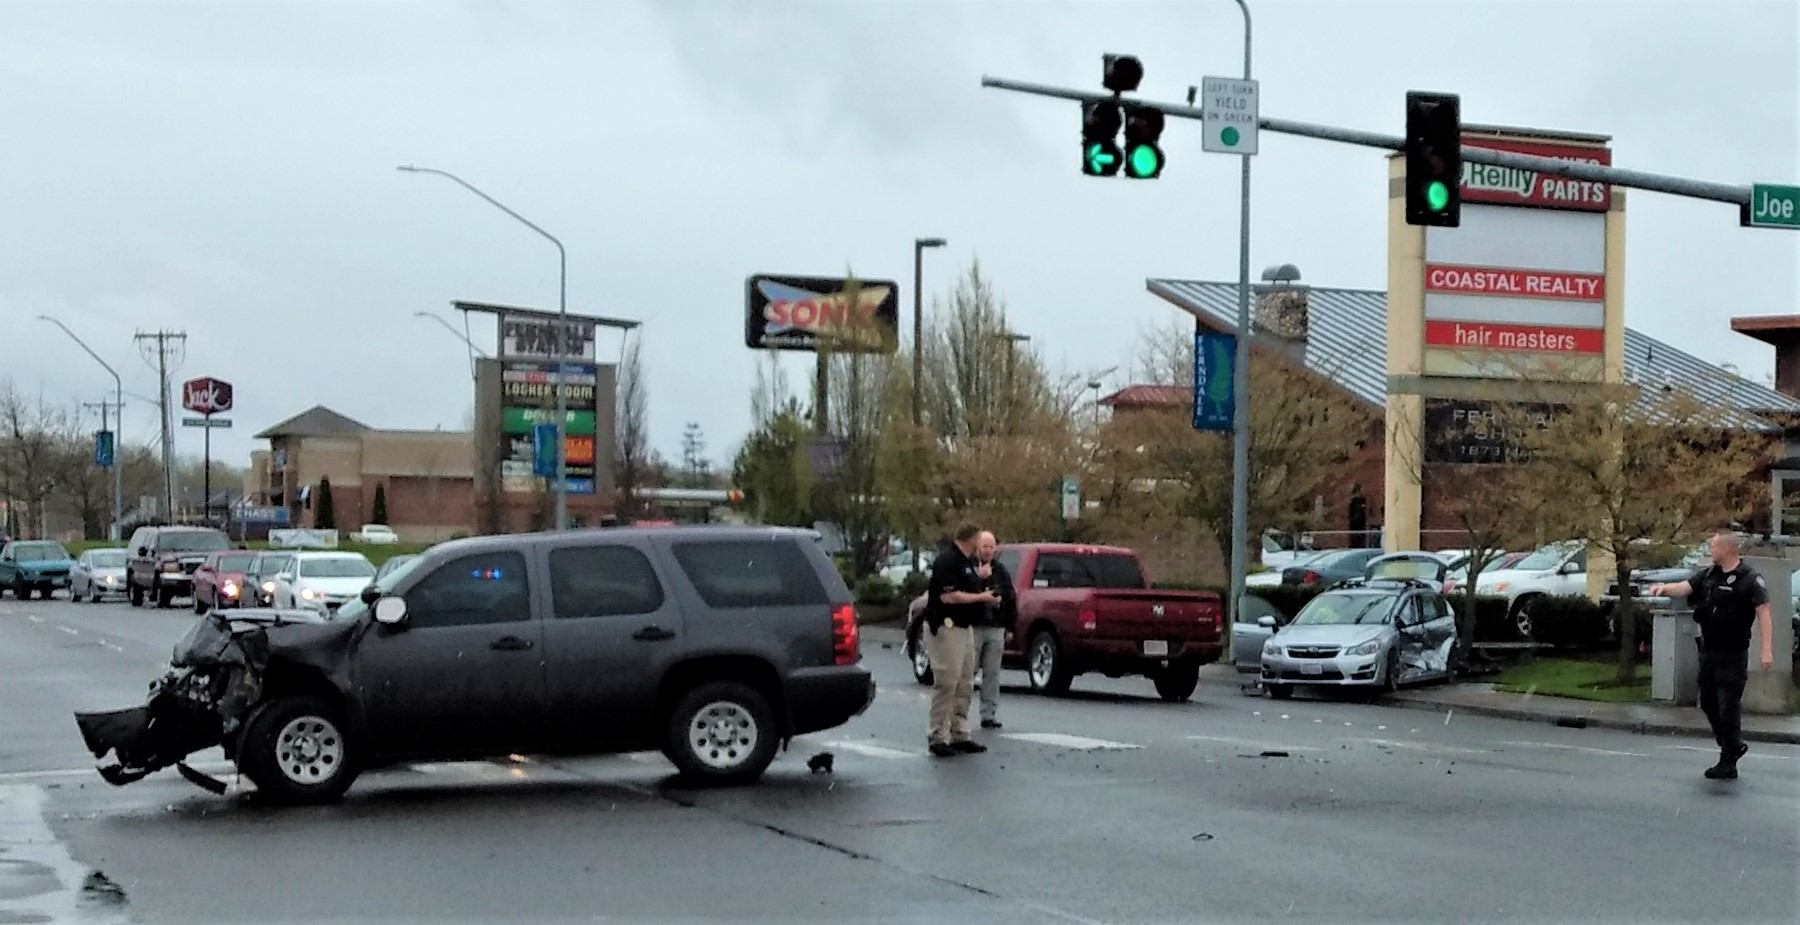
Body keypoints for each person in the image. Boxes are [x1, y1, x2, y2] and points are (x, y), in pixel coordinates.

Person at [1648, 531, 1777, 780]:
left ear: (1728, 549)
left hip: (1733, 653)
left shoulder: (1749, 579)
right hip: (1709, 650)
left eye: (1714, 546)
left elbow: (1764, 613)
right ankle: (1732, 744)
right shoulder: (1709, 574)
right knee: (1708, 701)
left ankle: (1728, 761)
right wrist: (1663, 588)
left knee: (1728, 707)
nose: (1710, 549)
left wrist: (1766, 650)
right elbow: (1685, 588)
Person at [923, 522, 998, 757]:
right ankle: (938, 735)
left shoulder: (967, 562)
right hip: (947, 627)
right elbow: (949, 596)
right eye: (979, 539)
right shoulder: (948, 560)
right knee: (947, 681)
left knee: (965, 681)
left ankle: (959, 733)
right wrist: (981, 597)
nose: (981, 544)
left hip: (966, 628)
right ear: (971, 539)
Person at [968, 531, 1018, 730]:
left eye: (991, 546)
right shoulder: (968, 568)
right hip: (973, 626)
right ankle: (959, 714)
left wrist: (1010, 625)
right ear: (977, 547)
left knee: (992, 673)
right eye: (984, 546)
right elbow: (961, 593)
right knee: (967, 673)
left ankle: (988, 714)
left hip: (996, 627)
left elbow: (1010, 597)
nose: (987, 550)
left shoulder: (1001, 571)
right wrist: (979, 580)